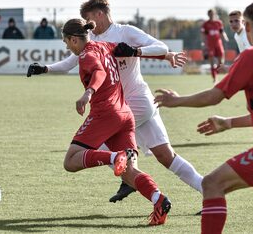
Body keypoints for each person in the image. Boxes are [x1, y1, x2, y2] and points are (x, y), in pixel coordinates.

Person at [27, 0, 203, 203]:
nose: (87, 25)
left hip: (132, 103)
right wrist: (45, 68)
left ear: (100, 14)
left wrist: (138, 51)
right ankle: (207, 189)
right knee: (166, 156)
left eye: (89, 18)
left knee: (91, 150)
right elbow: (68, 63)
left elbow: (161, 47)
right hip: (131, 107)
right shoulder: (91, 39)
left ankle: (132, 180)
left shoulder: (125, 32)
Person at [154, 0, 253, 234]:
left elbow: (214, 96)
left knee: (212, 183)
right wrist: (228, 123)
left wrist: (176, 101)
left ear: (247, 26)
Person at [61, 18, 171, 226]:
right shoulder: (104, 45)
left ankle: (113, 157)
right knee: (129, 173)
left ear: (74, 40)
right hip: (125, 114)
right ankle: (159, 200)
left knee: (70, 161)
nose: (66, 46)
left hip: (106, 114)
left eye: (66, 41)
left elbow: (99, 72)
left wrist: (88, 93)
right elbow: (127, 50)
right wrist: (167, 55)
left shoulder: (87, 55)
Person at [201, 9, 229, 82]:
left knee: (221, 63)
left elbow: (222, 32)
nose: (211, 15)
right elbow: (204, 35)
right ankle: (215, 78)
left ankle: (217, 72)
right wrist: (204, 43)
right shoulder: (206, 24)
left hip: (218, 44)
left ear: (215, 14)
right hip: (210, 45)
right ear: (208, 15)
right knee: (212, 63)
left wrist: (225, 37)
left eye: (213, 14)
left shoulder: (219, 23)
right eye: (210, 14)